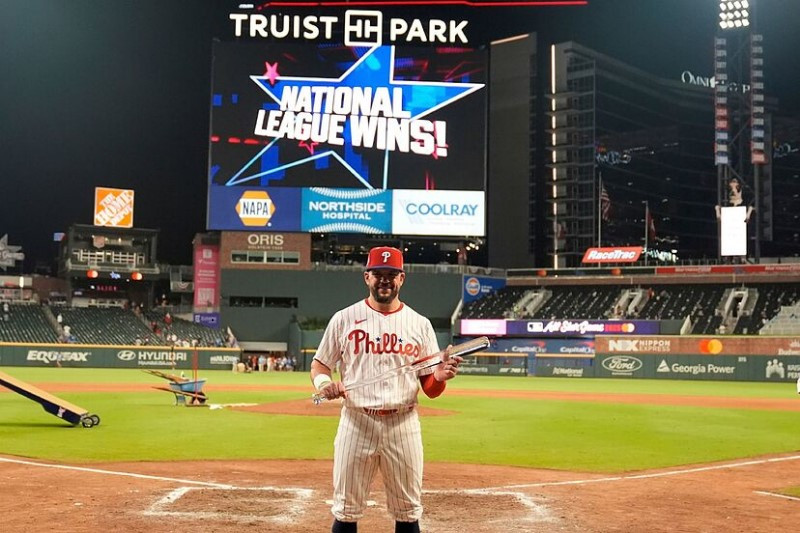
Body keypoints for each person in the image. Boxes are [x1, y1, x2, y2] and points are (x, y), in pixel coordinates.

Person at [310, 246, 463, 533]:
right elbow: (320, 365)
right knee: (346, 510)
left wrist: (440, 377)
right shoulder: (344, 318)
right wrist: (324, 384)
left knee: (408, 512)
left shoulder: (419, 324)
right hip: (356, 422)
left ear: (401, 279)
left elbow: (430, 389)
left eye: (391, 274)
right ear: (366, 277)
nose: (385, 280)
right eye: (378, 273)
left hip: (403, 424)